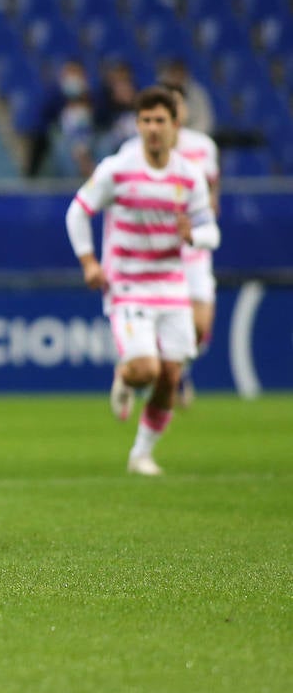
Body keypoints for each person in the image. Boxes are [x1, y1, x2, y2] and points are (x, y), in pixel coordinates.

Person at [65, 86, 219, 476]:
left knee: (170, 377)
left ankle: (141, 454)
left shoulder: (189, 175)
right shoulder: (117, 169)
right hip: (128, 285)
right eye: (145, 120)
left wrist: (193, 236)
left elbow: (211, 231)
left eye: (159, 121)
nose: (152, 128)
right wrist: (89, 262)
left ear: (175, 125)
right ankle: (125, 374)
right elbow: (77, 212)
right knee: (146, 370)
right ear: (136, 124)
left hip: (172, 286)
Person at [119, 85, 221, 409]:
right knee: (163, 327)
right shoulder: (131, 151)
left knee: (200, 326)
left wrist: (201, 225)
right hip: (155, 253)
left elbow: (212, 190)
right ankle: (149, 369)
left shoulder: (203, 147)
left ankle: (177, 371)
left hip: (193, 246)